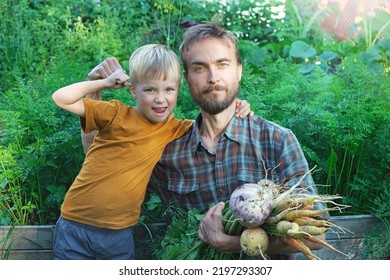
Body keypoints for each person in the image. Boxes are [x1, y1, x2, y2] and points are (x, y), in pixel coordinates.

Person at [52, 44, 251, 260]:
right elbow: (61, 98)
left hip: (119, 233)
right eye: (150, 90)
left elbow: (216, 124)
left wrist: (236, 106)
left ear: (178, 89)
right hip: (75, 224)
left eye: (169, 89)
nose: (160, 98)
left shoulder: (173, 127)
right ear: (133, 90)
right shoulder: (115, 113)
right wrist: (103, 83)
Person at [146, 22, 327, 258]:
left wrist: (233, 243)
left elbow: (318, 235)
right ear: (186, 78)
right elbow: (110, 177)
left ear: (239, 70)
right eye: (199, 68)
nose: (213, 77)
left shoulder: (277, 140)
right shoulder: (168, 152)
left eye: (222, 64)